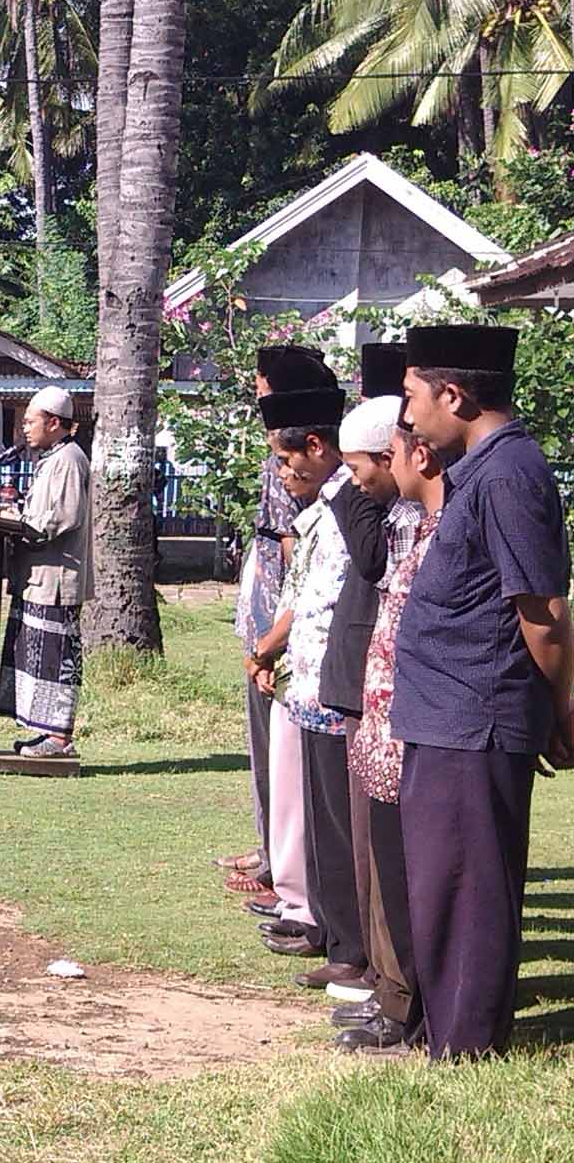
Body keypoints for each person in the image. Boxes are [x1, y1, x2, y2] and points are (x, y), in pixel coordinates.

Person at [390, 323, 571, 1060]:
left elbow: (544, 613)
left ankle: (465, 1054)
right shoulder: (484, 468)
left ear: (451, 394)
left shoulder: (507, 474)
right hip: (447, 719)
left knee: (467, 896)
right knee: (441, 890)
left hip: (474, 718)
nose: (406, 416)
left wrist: (561, 708)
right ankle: (448, 1038)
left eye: (410, 395)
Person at [246, 381, 366, 990]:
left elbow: (331, 601)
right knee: (315, 816)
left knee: (338, 824)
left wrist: (278, 646)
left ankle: (346, 942)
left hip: (333, 683)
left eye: (288, 460)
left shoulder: (351, 506)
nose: (284, 472)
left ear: (318, 447)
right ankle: (327, 926)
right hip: (309, 681)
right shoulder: (322, 510)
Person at [328, 386, 427, 1052]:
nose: (353, 480)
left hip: (405, 710)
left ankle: (401, 1001)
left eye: (361, 465)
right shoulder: (396, 512)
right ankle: (388, 992)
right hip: (379, 703)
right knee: (378, 861)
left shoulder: (406, 514)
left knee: (395, 865)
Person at [226, 346, 335, 903]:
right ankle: (274, 846)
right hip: (271, 607)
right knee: (271, 746)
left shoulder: (296, 454)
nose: (256, 396)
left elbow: (295, 546)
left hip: (287, 613)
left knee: (285, 746)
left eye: (262, 385)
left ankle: (284, 862)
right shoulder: (284, 448)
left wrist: (277, 637)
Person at [0, 386, 93, 758]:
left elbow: (60, 518)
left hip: (57, 579)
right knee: (35, 655)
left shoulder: (69, 458)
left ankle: (60, 738)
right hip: (37, 578)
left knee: (55, 656)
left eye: (31, 421)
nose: (25, 428)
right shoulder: (52, 458)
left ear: (53, 423)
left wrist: (16, 523)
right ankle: (44, 730)